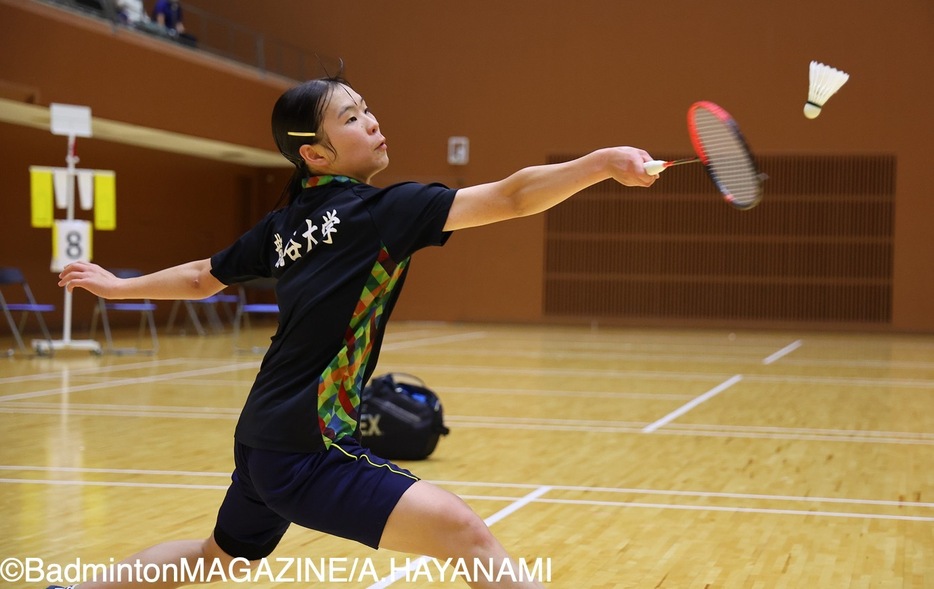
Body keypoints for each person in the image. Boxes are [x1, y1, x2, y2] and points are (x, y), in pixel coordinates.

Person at [51, 75, 657, 589]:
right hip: (309, 445)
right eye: (351, 117)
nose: (371, 121)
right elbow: (515, 196)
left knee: (220, 557)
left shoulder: (286, 224)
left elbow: (198, 278)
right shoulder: (382, 214)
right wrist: (602, 164)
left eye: (366, 109)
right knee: (467, 536)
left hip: (264, 435)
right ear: (315, 153)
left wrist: (117, 287)